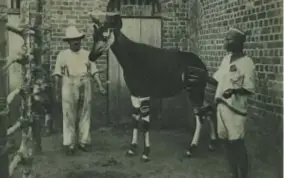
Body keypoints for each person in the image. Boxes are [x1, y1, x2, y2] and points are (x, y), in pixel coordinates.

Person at [207, 27, 255, 178]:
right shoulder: (226, 59)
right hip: (221, 107)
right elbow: (217, 80)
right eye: (226, 39)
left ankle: (244, 175)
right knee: (227, 144)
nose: (225, 42)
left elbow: (249, 88)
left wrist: (234, 91)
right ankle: (234, 175)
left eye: (229, 39)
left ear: (238, 42)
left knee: (237, 144)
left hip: (235, 110)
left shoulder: (247, 63)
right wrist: (200, 76)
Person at [52, 26, 106, 155]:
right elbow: (57, 74)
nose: (75, 42)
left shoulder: (87, 54)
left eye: (77, 39)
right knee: (68, 114)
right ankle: (69, 143)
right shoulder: (62, 55)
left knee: (85, 112)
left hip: (85, 81)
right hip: (69, 82)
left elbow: (94, 71)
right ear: (68, 42)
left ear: (80, 40)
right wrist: (56, 91)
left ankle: (84, 141)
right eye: (72, 40)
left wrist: (100, 85)